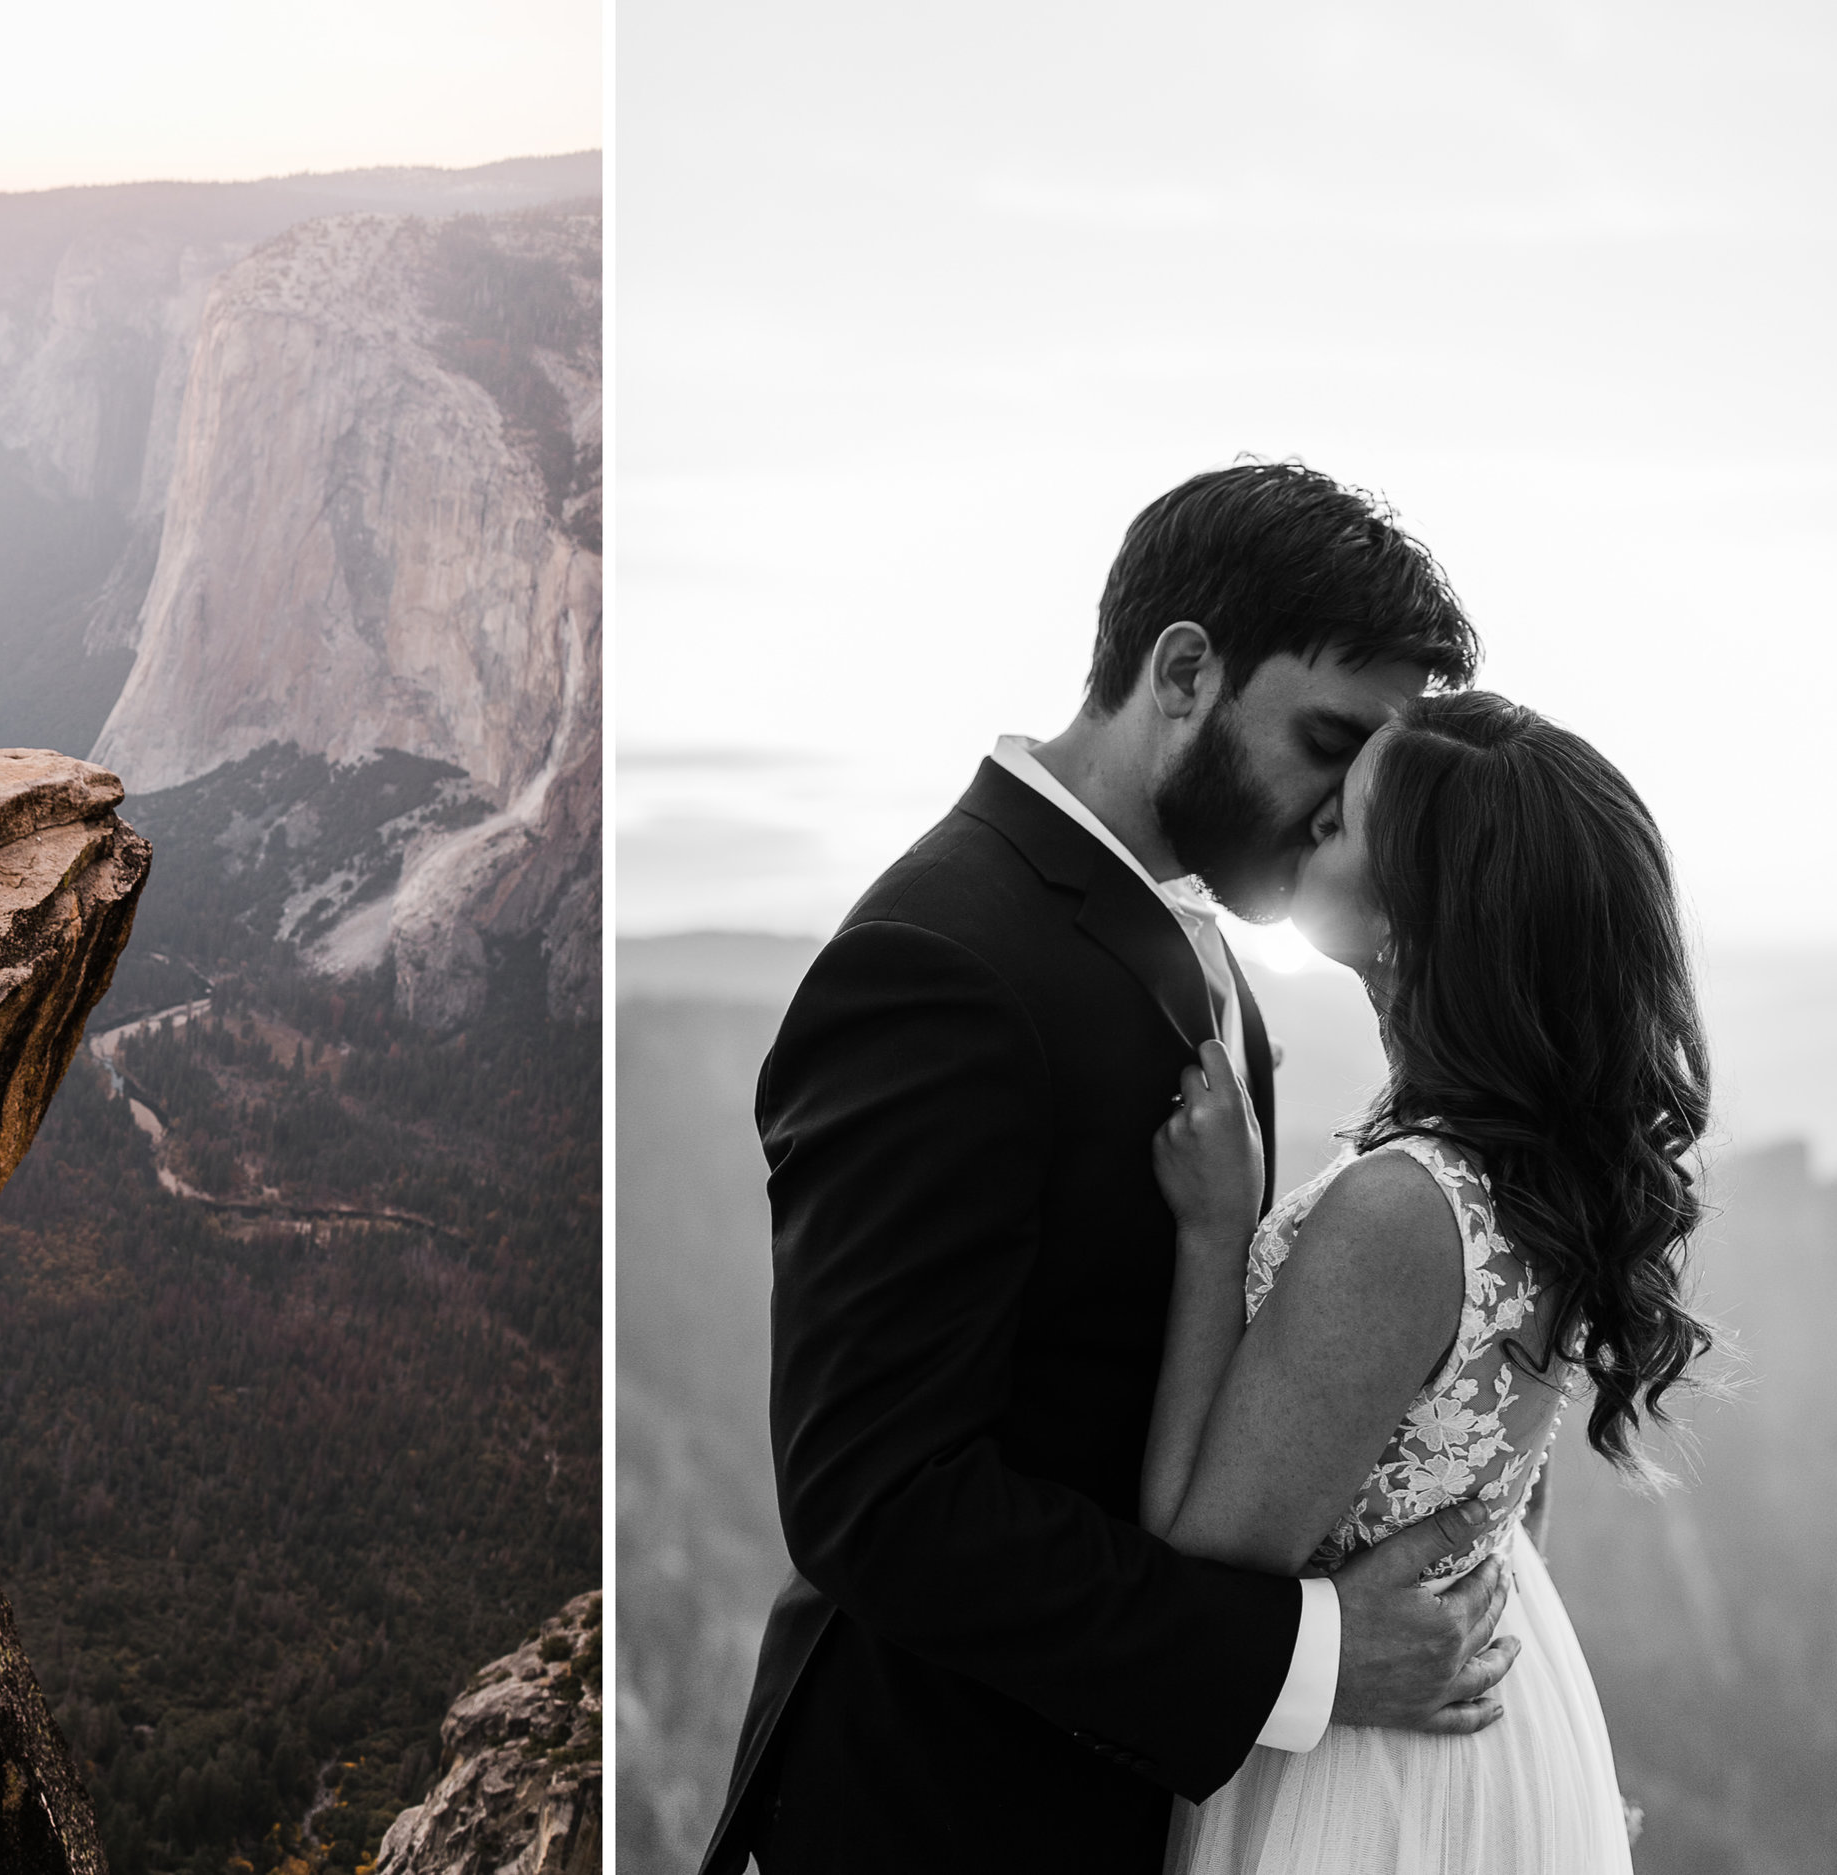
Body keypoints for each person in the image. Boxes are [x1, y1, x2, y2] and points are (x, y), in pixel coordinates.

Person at [702, 464, 1510, 1873]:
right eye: (1328, 743)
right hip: (932, 1814)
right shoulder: (940, 962)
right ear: (1185, 669)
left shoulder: (1195, 934)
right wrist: (1314, 1651)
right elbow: (876, 1500)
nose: (1339, 813)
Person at [1145, 691, 1706, 1872]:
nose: (1303, 828)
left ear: (1413, 919)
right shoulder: (1543, 1166)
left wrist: (1213, 1230)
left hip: (1362, 1778)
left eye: (1339, 823)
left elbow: (1197, 1552)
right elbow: (1513, 1476)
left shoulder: (1402, 1210)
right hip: (1488, 1721)